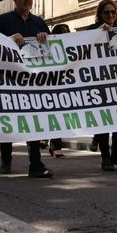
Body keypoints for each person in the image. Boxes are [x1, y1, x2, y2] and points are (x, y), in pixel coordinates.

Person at [0, 0, 53, 178]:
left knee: (32, 120)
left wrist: (45, 37)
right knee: (8, 119)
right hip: (8, 79)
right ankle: (6, 158)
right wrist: (9, 39)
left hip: (33, 80)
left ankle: (35, 163)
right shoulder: (3, 20)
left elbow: (52, 46)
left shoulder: (39, 22)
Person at [87, 0, 117, 172]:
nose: (111, 15)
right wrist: (99, 32)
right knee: (104, 120)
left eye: (113, 12)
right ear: (100, 14)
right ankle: (105, 157)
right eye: (106, 12)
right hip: (100, 82)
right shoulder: (92, 30)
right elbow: (82, 46)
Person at [47, 23, 72, 158]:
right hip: (51, 86)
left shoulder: (72, 48)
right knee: (55, 115)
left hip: (66, 86)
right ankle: (55, 145)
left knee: (61, 116)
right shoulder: (50, 48)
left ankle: (54, 143)